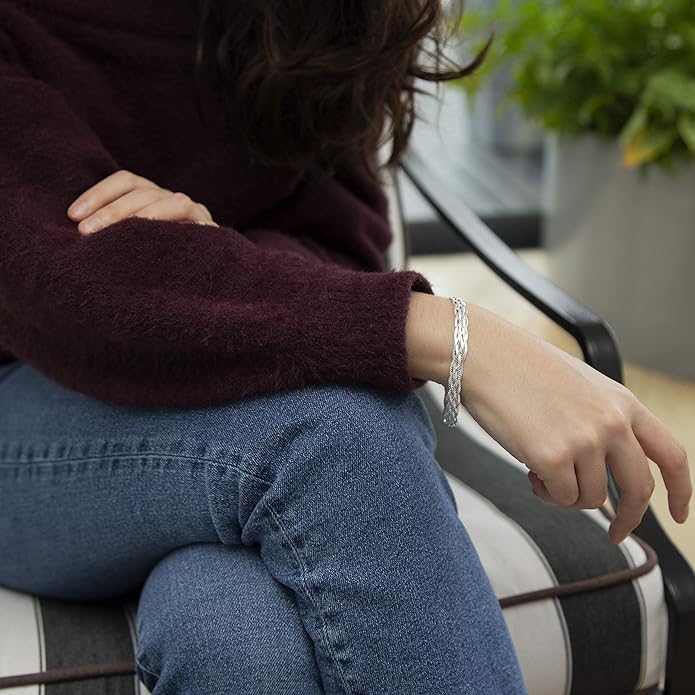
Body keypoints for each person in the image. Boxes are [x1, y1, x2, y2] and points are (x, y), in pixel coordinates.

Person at [0, 1, 690, 693]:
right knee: (343, 436)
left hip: (212, 434)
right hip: (26, 408)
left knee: (240, 641)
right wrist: (459, 338)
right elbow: (75, 288)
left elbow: (339, 245)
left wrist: (206, 260)